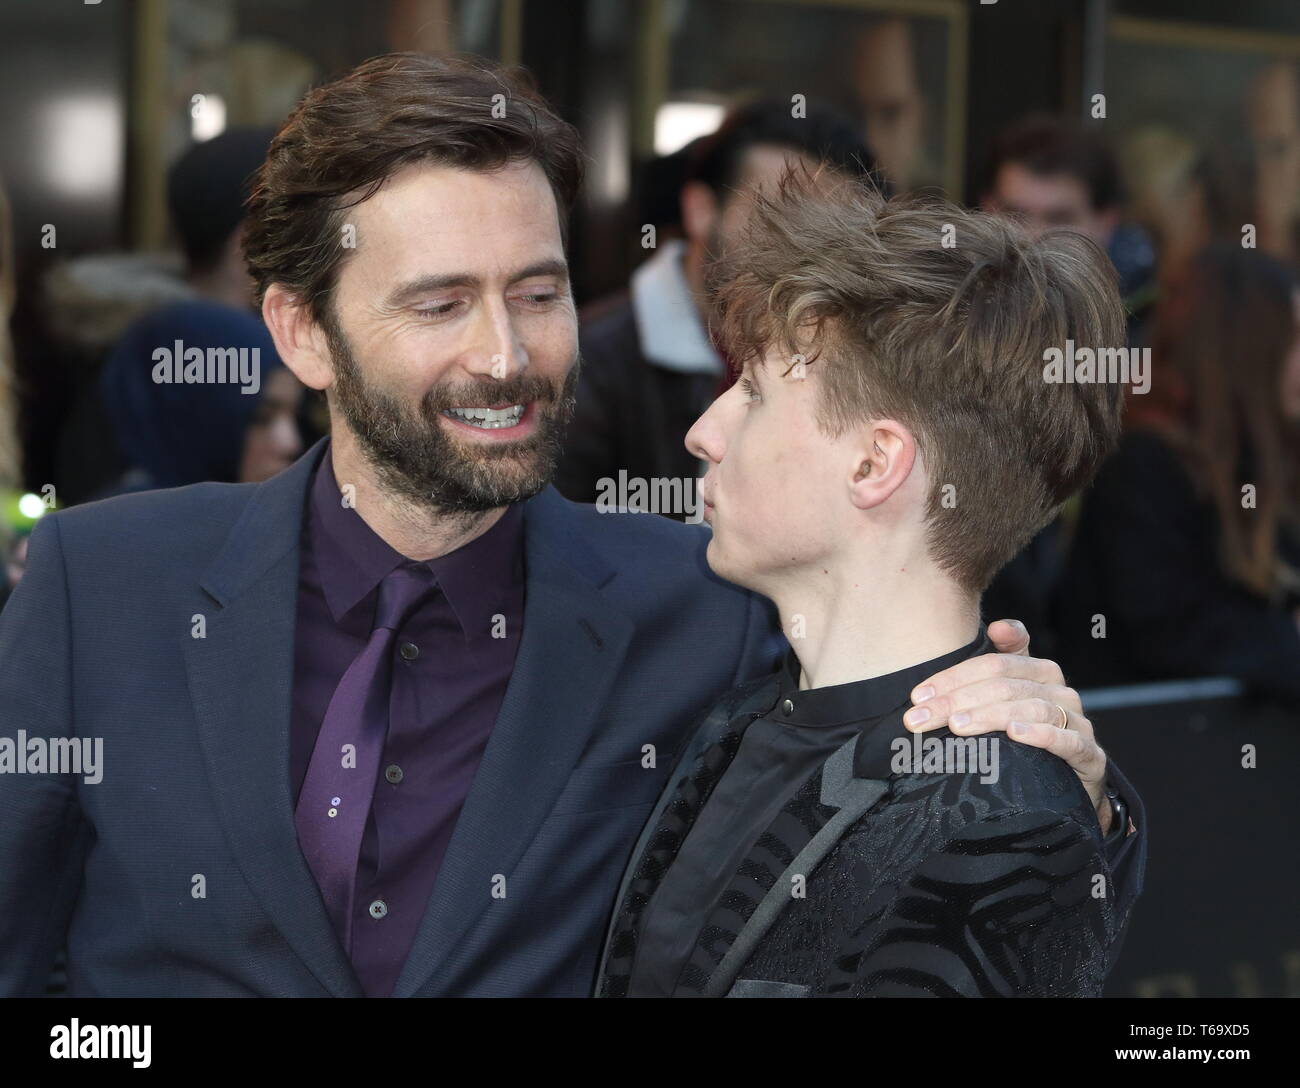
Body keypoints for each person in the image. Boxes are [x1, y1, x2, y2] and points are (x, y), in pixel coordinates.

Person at [0, 53, 1138, 998]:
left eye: (538, 294)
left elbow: (920, 823)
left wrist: (1070, 775)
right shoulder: (95, 584)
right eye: (440, 303)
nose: (505, 356)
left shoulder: (714, 608)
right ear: (302, 333)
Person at [599, 168, 1142, 998]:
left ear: (874, 462)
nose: (703, 432)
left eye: (750, 395)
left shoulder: (1001, 820)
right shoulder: (738, 714)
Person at [554, 99, 883, 511]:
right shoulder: (590, 362)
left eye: (832, 229)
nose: (804, 248)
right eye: (778, 216)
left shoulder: (864, 355)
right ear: (700, 210)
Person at [1057, 244, 1300, 703]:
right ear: (1247, 351)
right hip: (1150, 748)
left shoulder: (1269, 459)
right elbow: (1167, 629)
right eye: (1296, 337)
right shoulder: (1145, 466)